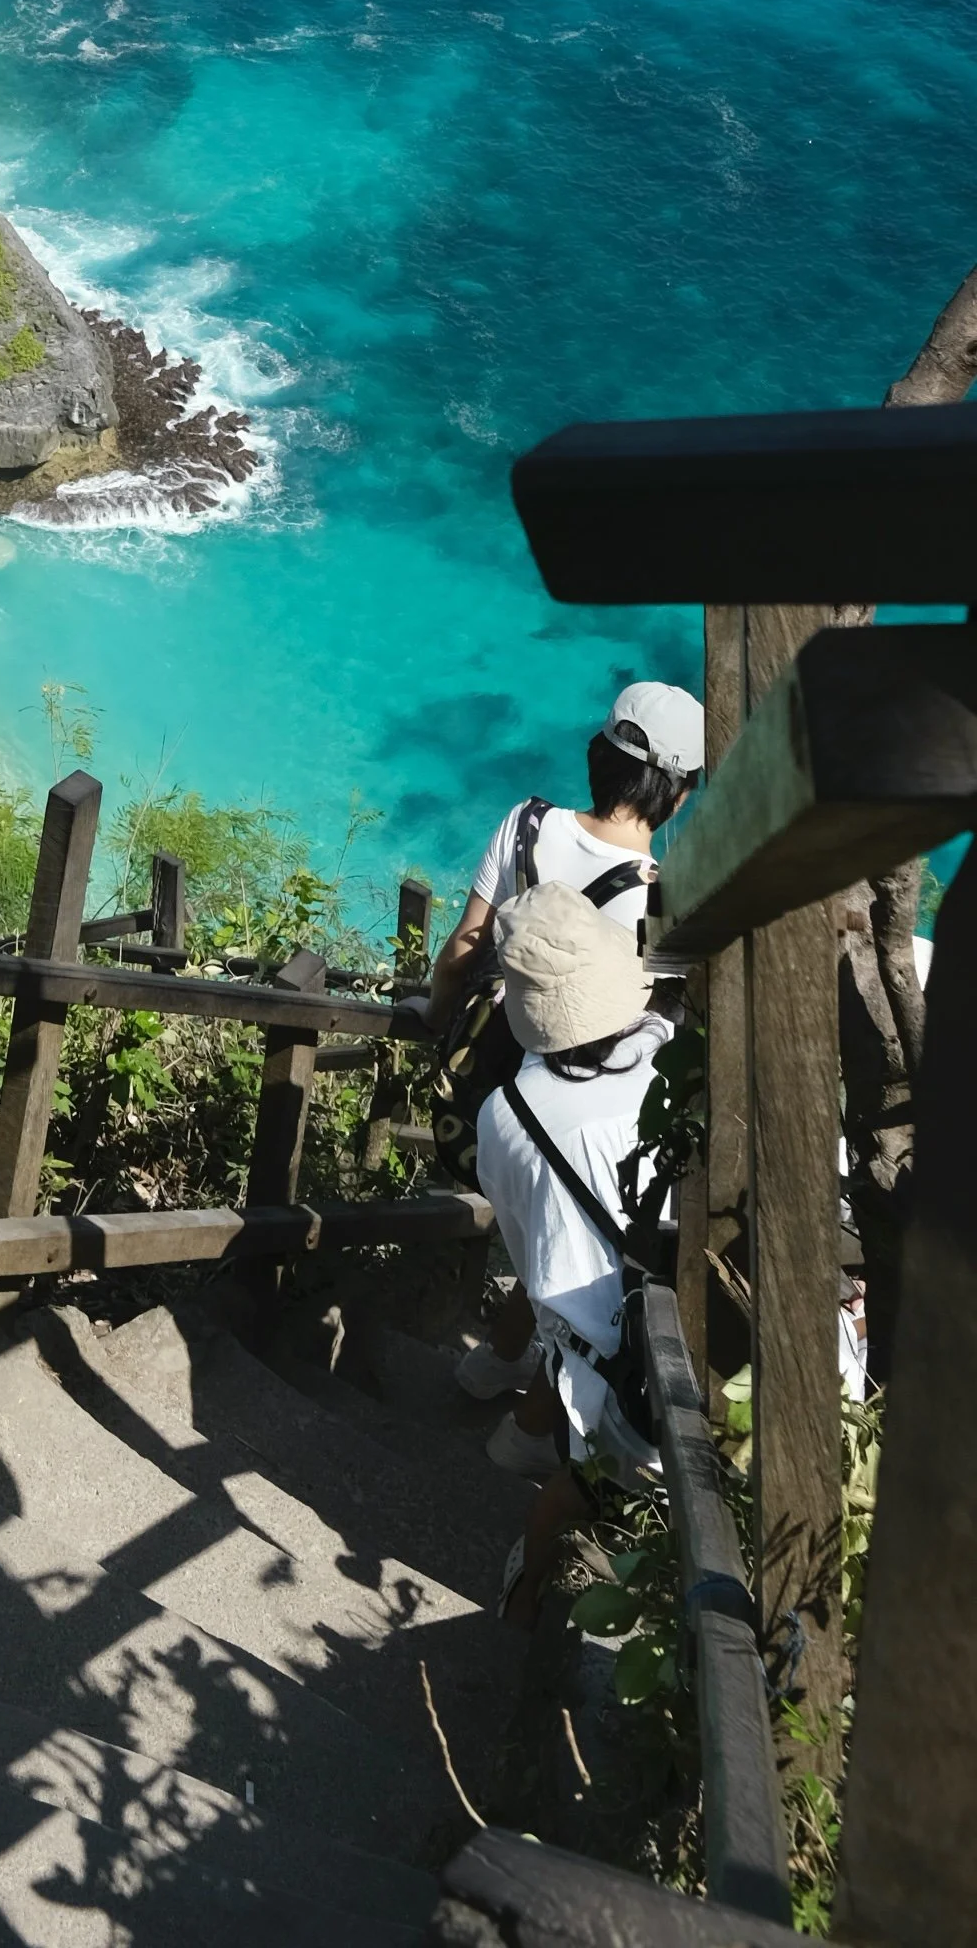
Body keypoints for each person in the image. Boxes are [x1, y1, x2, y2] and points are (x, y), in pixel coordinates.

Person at [428, 675, 701, 1388]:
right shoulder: (663, 894)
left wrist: (436, 1024)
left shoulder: (527, 823)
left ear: (599, 757)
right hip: (584, 1110)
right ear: (676, 792)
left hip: (495, 1087)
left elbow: (461, 949)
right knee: (586, 1258)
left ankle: (494, 1363)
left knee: (540, 1239)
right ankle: (527, 1397)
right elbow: (665, 1019)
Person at [470, 878, 672, 1620]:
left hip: (609, 1403)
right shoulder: (680, 1064)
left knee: (572, 1495)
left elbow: (529, 1267)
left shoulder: (507, 1116)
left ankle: (519, 1615)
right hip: (717, 1368)